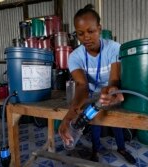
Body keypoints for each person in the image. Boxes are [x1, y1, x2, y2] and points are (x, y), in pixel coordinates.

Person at [58, 4, 136, 164]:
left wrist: (112, 91)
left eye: (90, 31)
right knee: (94, 121)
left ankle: (121, 148)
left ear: (99, 28)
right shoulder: (75, 56)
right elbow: (81, 85)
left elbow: (114, 80)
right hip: (91, 95)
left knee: (116, 123)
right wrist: (68, 118)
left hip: (112, 94)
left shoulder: (114, 48)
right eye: (80, 33)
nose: (85, 37)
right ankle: (95, 150)